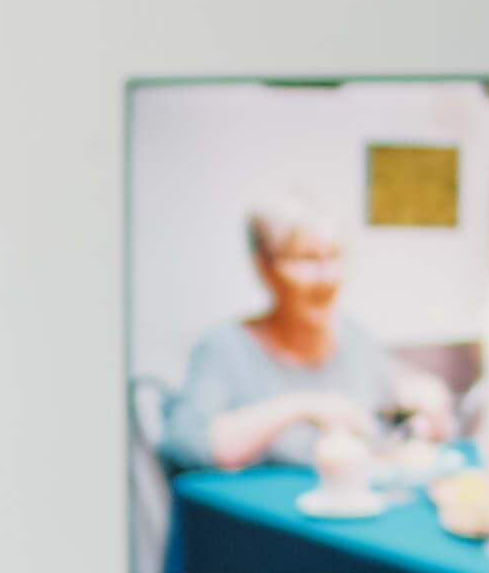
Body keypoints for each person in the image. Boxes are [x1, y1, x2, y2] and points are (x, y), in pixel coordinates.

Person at [150, 191, 407, 470]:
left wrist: (422, 409)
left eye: (333, 256)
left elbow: (387, 430)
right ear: (265, 267)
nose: (326, 277)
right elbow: (186, 447)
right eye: (307, 259)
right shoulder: (224, 347)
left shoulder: (356, 338)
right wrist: (302, 406)